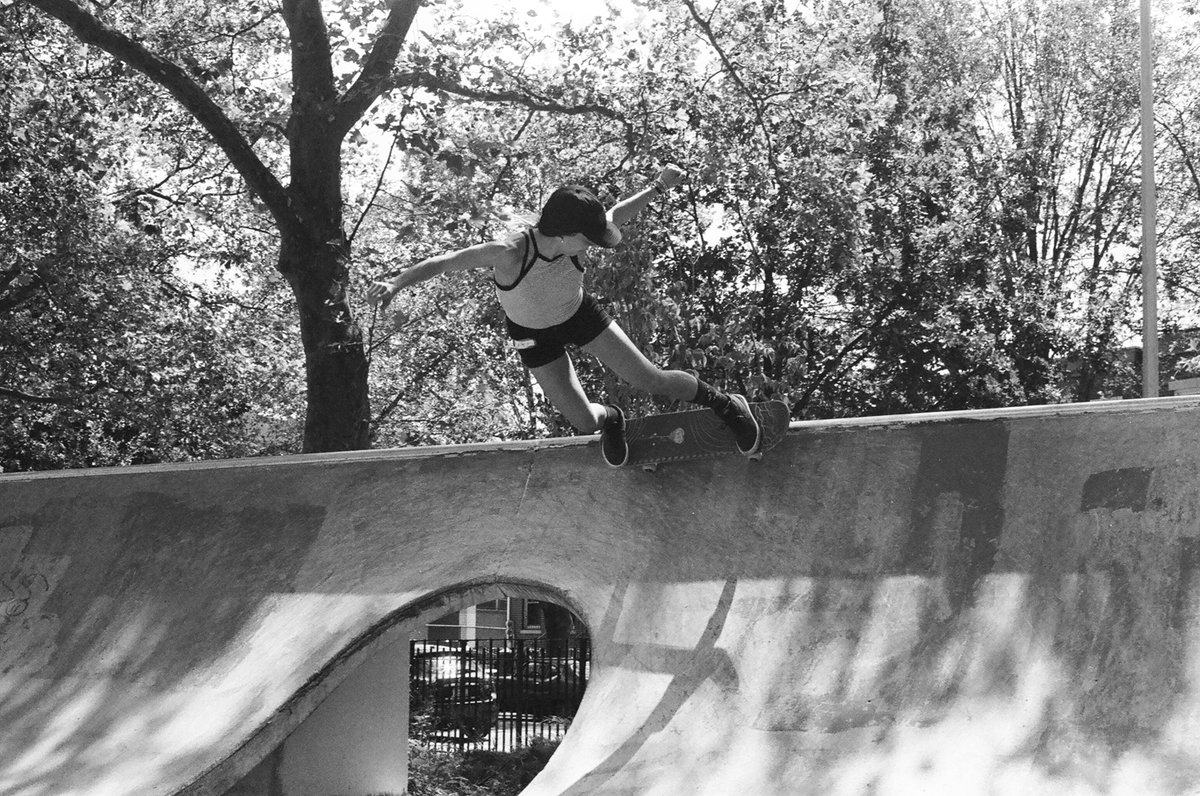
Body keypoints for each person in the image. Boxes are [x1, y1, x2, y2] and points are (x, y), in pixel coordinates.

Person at [366, 165, 760, 466]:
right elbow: (445, 261)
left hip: (579, 315)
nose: (592, 246)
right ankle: (612, 418)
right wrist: (395, 283)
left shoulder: (577, 236)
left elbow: (618, 214)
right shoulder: (509, 252)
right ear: (564, 234)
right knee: (585, 422)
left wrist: (658, 186)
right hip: (532, 334)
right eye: (587, 241)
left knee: (649, 379)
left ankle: (726, 404)